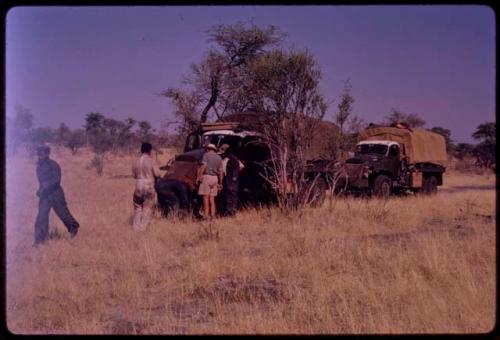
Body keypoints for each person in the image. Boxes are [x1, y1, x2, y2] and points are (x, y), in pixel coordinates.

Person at [34, 145, 79, 246]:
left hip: (56, 193)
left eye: (41, 153)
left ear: (47, 154)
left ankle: (74, 227)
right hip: (45, 196)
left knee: (63, 214)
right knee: (42, 216)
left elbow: (56, 180)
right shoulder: (39, 167)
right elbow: (41, 182)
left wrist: (45, 186)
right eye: (38, 154)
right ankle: (39, 240)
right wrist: (40, 189)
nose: (39, 156)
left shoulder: (53, 165)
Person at [131, 142, 163, 231]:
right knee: (147, 208)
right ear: (150, 150)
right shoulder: (151, 161)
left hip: (138, 185)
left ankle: (135, 229)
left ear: (141, 150)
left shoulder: (135, 161)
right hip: (148, 185)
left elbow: (134, 175)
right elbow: (157, 174)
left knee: (137, 209)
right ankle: (142, 230)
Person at [196, 143, 223, 220]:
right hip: (215, 178)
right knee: (212, 198)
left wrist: (199, 176)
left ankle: (206, 216)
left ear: (208, 149)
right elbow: (220, 171)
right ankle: (213, 216)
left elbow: (203, 166)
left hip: (207, 177)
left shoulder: (206, 155)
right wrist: (220, 183)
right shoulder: (219, 157)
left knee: (205, 197)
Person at [218, 144, 244, 216]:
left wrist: (234, 177)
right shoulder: (225, 159)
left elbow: (240, 167)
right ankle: (228, 212)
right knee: (227, 196)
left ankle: (231, 212)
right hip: (226, 180)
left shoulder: (233, 159)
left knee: (231, 196)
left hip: (231, 181)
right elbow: (241, 166)